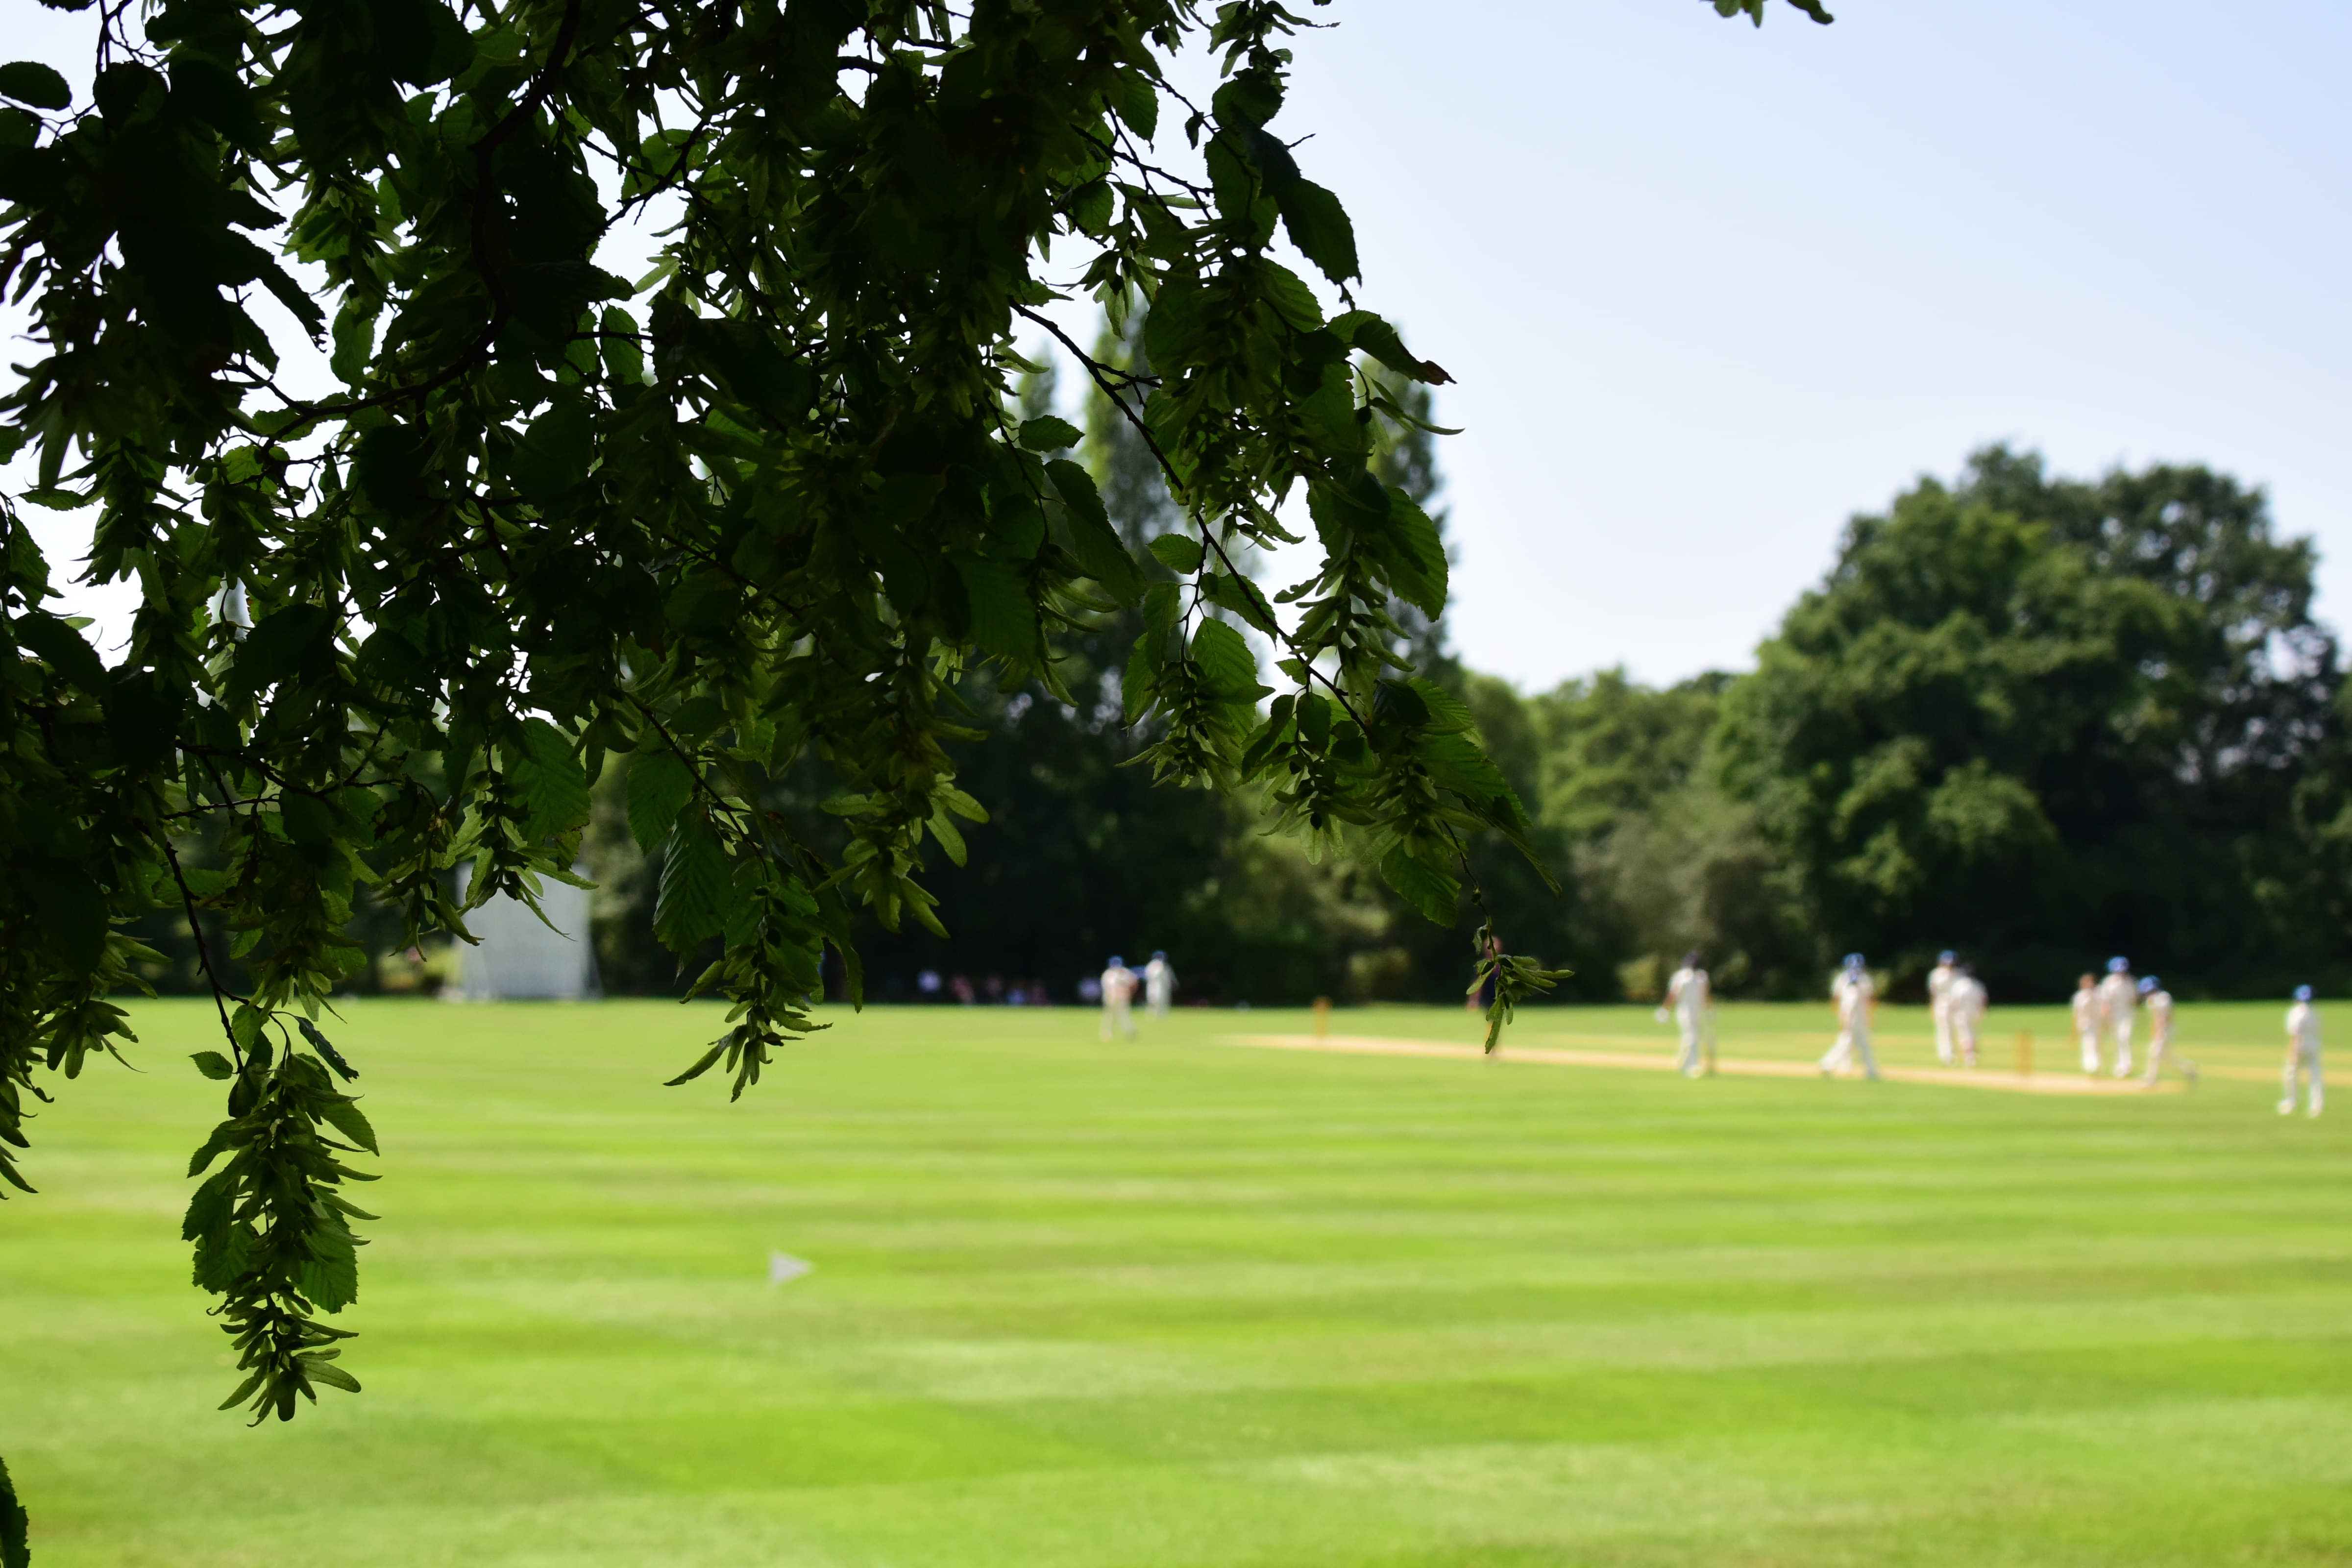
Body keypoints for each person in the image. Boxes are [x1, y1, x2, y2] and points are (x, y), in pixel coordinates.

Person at [1818, 953, 1880, 1080]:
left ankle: (1829, 1064)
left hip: (1857, 1018)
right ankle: (1828, 1064)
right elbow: (1851, 1003)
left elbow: (1839, 1000)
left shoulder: (1849, 979)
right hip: (1854, 1018)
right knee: (1852, 1043)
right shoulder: (1858, 980)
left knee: (1854, 1043)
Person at [1660, 950, 1712, 1078]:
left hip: (1698, 1011)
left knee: (1690, 1037)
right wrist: (1665, 1010)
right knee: (1692, 1037)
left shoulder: (1702, 977)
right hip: (1685, 1011)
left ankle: (1683, 1062)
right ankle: (1693, 1065)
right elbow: (1673, 995)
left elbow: (1706, 995)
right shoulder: (1681, 977)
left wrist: (1709, 1009)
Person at [2137, 975, 2195, 1087]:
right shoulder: (2151, 1001)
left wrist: (2160, 1033)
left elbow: (2165, 1018)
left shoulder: (2163, 998)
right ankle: (2189, 1069)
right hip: (2160, 1030)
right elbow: (2155, 1019)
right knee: (2166, 1058)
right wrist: (2155, 1032)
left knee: (2155, 1053)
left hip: (2166, 1030)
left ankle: (2151, 1079)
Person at [2281, 985, 2325, 1118]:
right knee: (2315, 1077)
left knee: (2291, 1075)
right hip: (2313, 1046)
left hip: (2300, 1047)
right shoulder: (2315, 1013)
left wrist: (2294, 1051)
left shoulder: (2296, 1013)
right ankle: (2317, 1106)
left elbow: (2296, 1034)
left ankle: (2291, 1102)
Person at [2095, 957, 2137, 1078]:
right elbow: (2106, 1001)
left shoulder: (2130, 982)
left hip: (2127, 1014)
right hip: (2114, 1015)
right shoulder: (2109, 982)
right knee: (2117, 1040)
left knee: (2125, 1037)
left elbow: (2134, 1000)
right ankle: (2120, 1065)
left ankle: (2127, 1066)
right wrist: (2105, 1017)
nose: (2121, 973)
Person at [1948, 962, 1986, 1068]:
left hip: (1962, 1013)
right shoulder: (1978, 985)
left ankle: (1969, 1057)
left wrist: (1951, 1011)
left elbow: (1954, 1001)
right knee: (1973, 1034)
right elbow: (1983, 1000)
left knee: (1965, 1035)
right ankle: (1972, 1055)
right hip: (1975, 1012)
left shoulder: (1959, 986)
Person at [1928, 950, 1960, 1066]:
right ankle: (1946, 1055)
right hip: (1941, 1004)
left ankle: (1951, 1053)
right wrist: (1932, 1007)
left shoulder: (1958, 974)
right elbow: (1933, 993)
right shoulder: (1936, 974)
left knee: (1954, 1029)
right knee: (1944, 1030)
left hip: (1956, 1005)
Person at [1099, 956, 1138, 1041]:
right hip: (1112, 998)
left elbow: (1133, 983)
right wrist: (1111, 997)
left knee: (1124, 1015)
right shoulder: (1108, 974)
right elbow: (1108, 988)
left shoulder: (1126, 973)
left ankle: (1130, 1032)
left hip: (1123, 998)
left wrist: (1130, 993)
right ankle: (1107, 1033)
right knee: (1110, 1016)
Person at [2072, 973, 2100, 1073]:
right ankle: (2091, 1065)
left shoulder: (2098, 993)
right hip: (2085, 1023)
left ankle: (2095, 1064)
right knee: (2088, 1043)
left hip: (2097, 1022)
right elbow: (2077, 1012)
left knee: (2096, 1043)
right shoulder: (2079, 996)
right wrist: (2075, 1027)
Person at [1143, 951, 1176, 1019]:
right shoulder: (1152, 965)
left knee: (1164, 1000)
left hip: (1164, 987)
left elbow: (1171, 977)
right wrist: (1158, 969)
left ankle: (1163, 1015)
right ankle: (1152, 1014)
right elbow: (1150, 975)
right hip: (1153, 986)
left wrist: (1174, 983)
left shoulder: (1166, 966)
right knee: (1153, 1000)